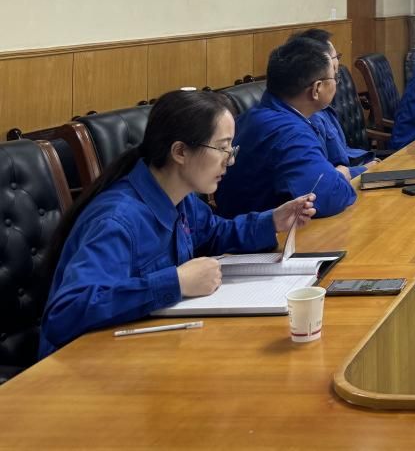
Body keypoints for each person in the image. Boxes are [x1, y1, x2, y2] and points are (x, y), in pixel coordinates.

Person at [39, 90, 315, 356]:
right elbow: (66, 313)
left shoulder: (180, 197)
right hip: (84, 366)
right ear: (180, 152)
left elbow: (214, 233)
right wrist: (176, 282)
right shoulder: (116, 220)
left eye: (231, 148)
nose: (229, 161)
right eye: (221, 148)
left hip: (145, 348)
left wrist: (272, 221)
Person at [214, 37, 358, 219]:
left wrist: (343, 173)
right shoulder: (289, 133)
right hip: (260, 234)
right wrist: (342, 175)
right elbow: (330, 196)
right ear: (317, 89)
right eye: (335, 77)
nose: (337, 82)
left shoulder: (260, 114)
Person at [293, 28, 374, 176]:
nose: (336, 83)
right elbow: (327, 175)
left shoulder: (321, 108)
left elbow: (343, 152)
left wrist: (370, 163)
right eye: (335, 77)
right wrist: (365, 169)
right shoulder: (310, 118)